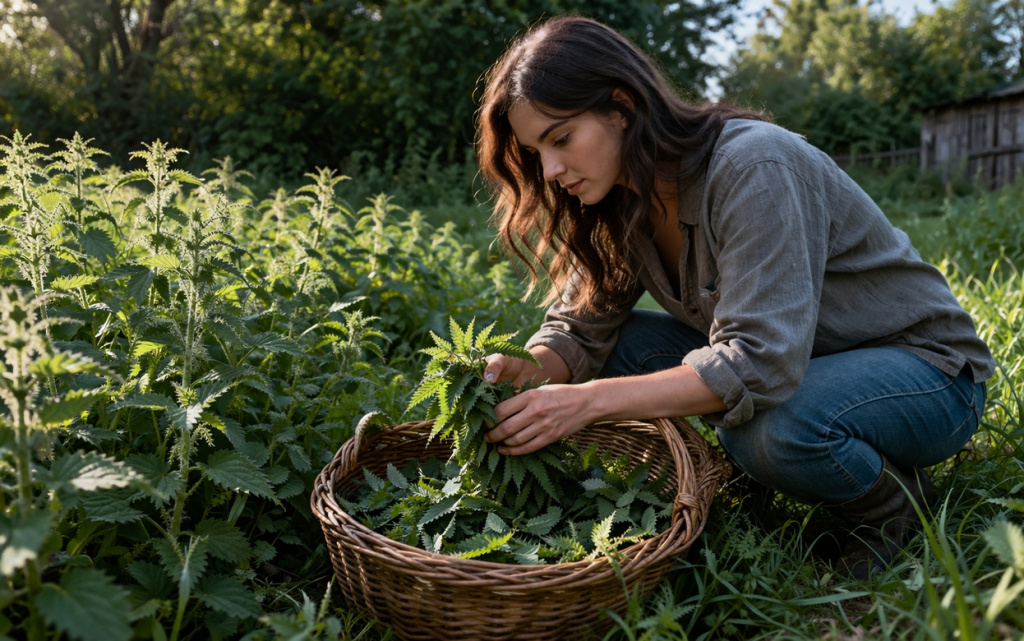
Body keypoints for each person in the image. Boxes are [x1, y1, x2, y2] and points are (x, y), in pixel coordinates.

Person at [474, 15, 994, 580]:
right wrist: (530, 370)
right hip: (807, 367)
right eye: (536, 152)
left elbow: (762, 364)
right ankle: (738, 478)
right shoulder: (615, 197)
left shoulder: (752, 165)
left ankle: (894, 506)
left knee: (768, 430)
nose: (550, 171)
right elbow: (581, 330)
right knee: (618, 349)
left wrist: (589, 400)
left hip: (926, 376)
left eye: (561, 138)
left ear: (620, 106)